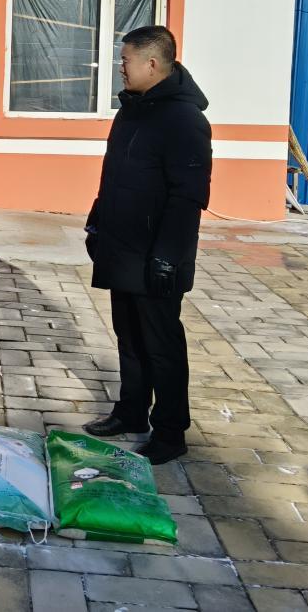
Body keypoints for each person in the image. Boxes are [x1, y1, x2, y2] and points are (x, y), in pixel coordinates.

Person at [83, 25, 211, 465]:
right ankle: (131, 411)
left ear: (152, 64)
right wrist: (97, 221)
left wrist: (167, 257)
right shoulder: (132, 111)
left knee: (161, 344)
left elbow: (189, 196)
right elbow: (114, 175)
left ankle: (171, 432)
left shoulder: (184, 119)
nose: (120, 67)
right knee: (130, 337)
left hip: (158, 254)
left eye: (126, 60)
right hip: (123, 247)